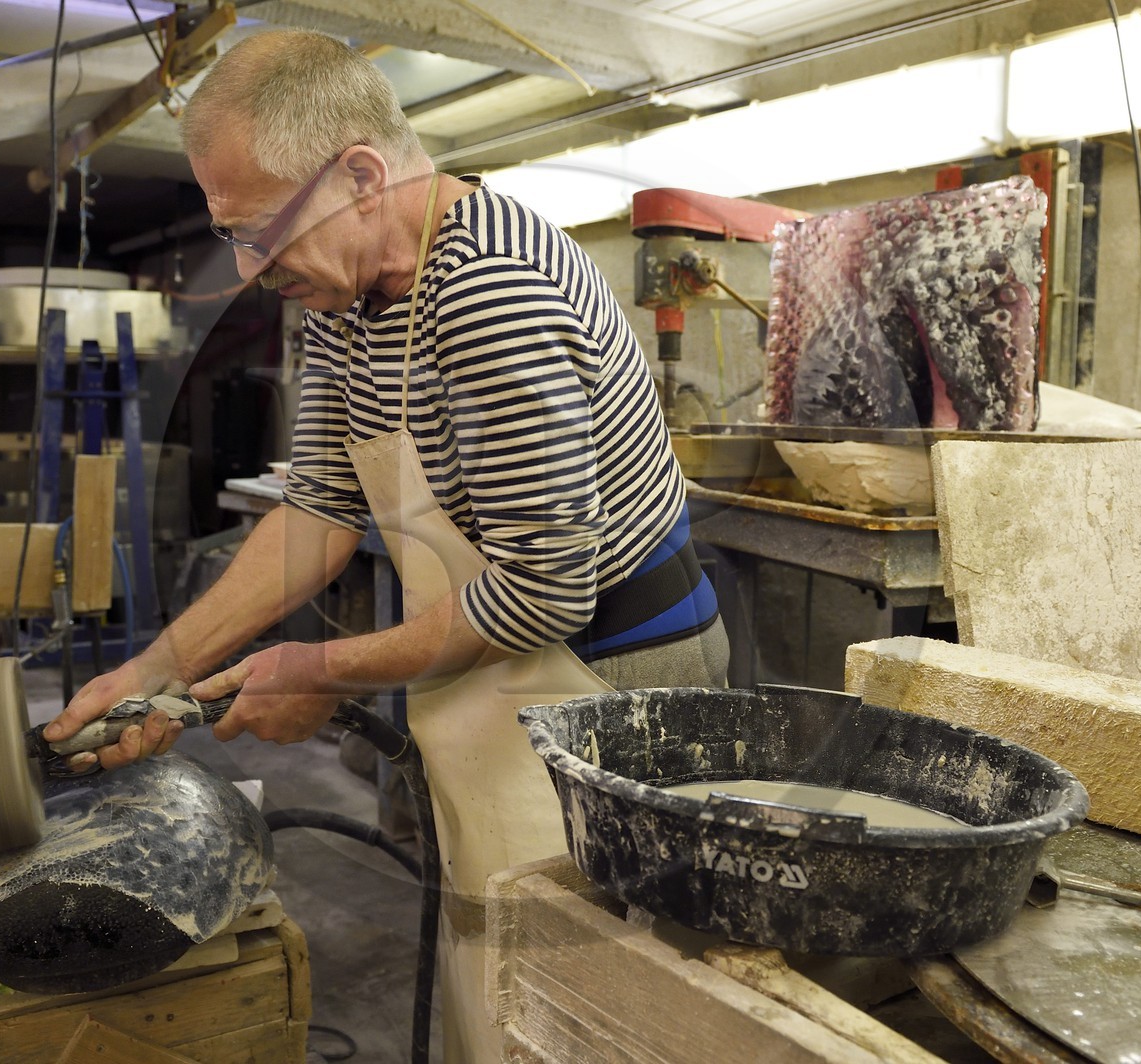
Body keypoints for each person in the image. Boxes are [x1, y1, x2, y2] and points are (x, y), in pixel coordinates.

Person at [43, 28, 727, 1060]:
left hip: (608, 690)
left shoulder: (490, 290)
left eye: (256, 229)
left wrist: (321, 667)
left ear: (360, 172)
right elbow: (318, 506)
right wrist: (155, 670)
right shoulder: (346, 298)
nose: (248, 265)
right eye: (230, 234)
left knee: (589, 1007)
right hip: (489, 676)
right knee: (492, 971)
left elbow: (544, 590)